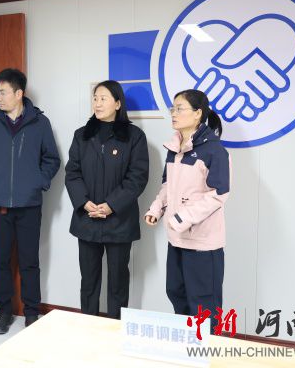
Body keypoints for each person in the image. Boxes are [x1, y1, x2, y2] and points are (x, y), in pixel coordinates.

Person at [0, 68, 60, 334]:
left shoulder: (39, 123)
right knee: (0, 261)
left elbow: (51, 159)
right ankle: (4, 312)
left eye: (2, 92)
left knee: (29, 261)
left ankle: (31, 312)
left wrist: (39, 182)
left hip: (29, 205)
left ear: (19, 93)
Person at [144, 89, 230, 331]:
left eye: (179, 108)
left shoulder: (214, 150)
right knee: (177, 292)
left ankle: (206, 349)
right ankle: (186, 345)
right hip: (177, 238)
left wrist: (181, 217)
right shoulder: (174, 148)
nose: (173, 113)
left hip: (202, 243)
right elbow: (167, 185)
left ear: (197, 113)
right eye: (173, 108)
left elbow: (219, 194)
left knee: (204, 304)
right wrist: (156, 208)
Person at [64, 80, 149, 319]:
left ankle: (116, 329)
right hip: (87, 219)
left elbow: (137, 177)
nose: (97, 103)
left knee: (118, 282)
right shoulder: (82, 135)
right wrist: (84, 202)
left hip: (119, 222)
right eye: (95, 98)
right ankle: (88, 326)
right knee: (88, 281)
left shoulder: (134, 137)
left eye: (103, 98)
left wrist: (112, 205)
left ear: (118, 103)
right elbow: (72, 173)